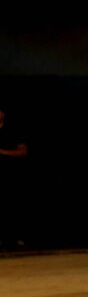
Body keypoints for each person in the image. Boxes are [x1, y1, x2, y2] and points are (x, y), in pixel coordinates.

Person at [0, 106, 29, 249]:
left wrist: (2, 152)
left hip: (10, 177)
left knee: (12, 207)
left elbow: (23, 151)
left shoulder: (13, 131)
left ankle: (14, 239)